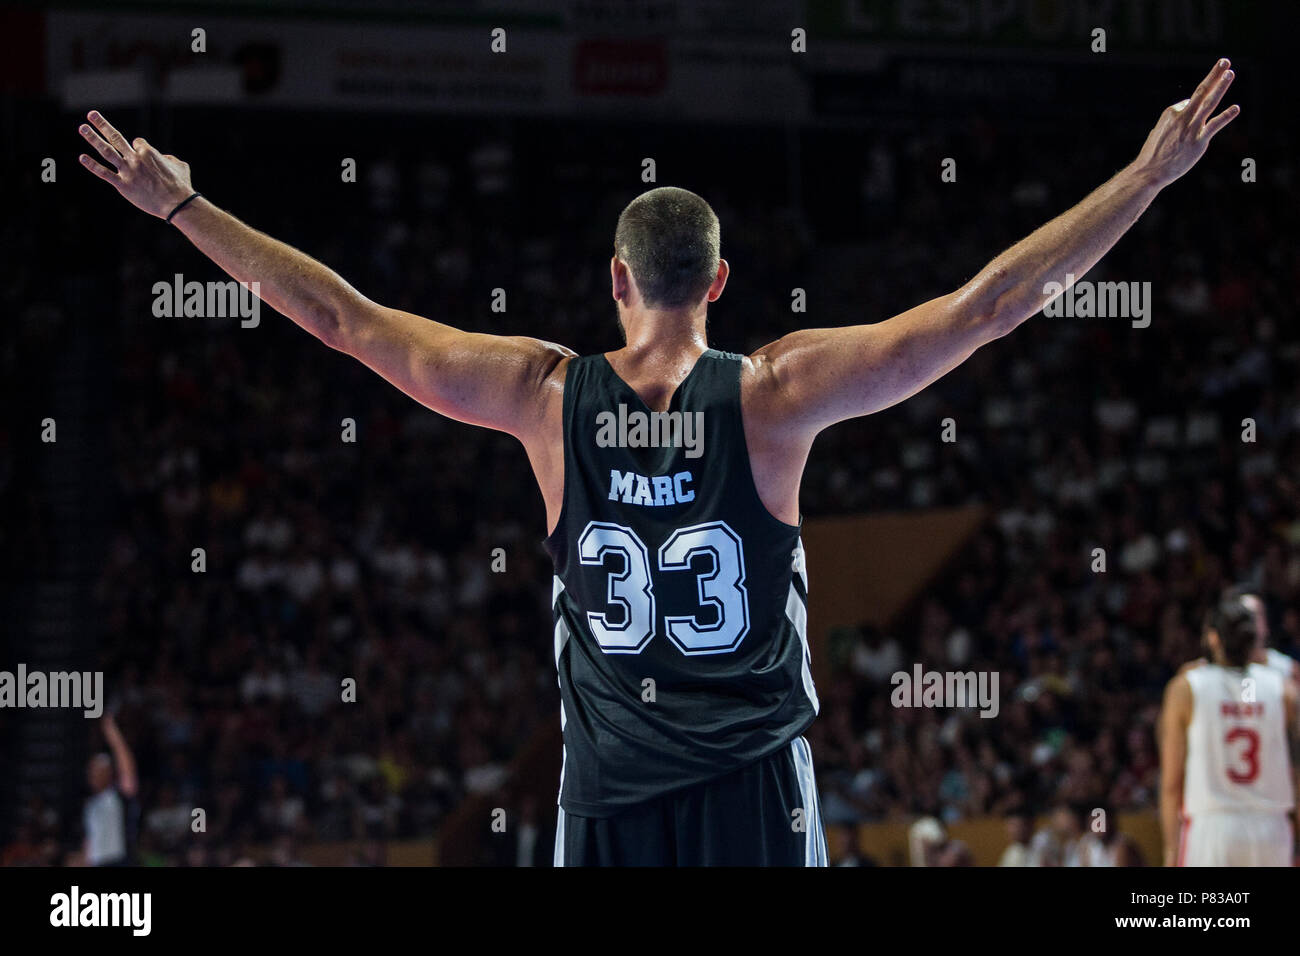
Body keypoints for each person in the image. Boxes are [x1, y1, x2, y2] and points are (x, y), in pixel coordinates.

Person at [78, 59, 1239, 866]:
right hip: (754, 786)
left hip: (611, 791)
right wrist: (1143, 178)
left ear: (617, 280)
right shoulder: (777, 396)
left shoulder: (542, 397)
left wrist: (181, 204)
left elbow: (340, 317)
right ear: (719, 282)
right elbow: (988, 305)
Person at [1159, 590, 1297, 866]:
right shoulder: (1284, 689)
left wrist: (1171, 849)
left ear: (1213, 637)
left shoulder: (1187, 686)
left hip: (1213, 827)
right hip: (1272, 827)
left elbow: (1172, 782)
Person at [83, 712, 138, 867]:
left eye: (98, 771)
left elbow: (128, 769)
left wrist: (113, 734)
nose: (93, 775)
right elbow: (90, 841)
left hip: (120, 861)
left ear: (109, 773)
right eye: (91, 771)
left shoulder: (117, 796)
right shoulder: (90, 804)